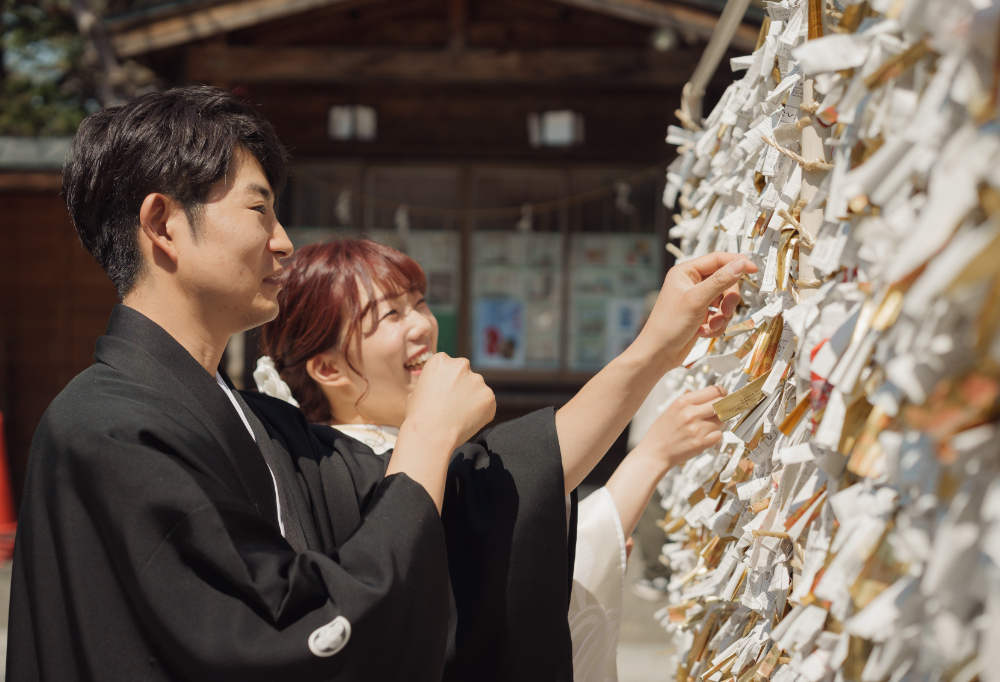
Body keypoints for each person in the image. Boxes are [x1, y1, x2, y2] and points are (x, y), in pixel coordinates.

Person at [8, 84, 753, 681]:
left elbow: (479, 497)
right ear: (163, 224)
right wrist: (426, 438)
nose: (282, 242)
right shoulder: (106, 428)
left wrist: (656, 346)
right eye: (259, 209)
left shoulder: (247, 419)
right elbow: (281, 643)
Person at [252, 240, 730, 681]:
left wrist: (654, 452)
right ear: (328, 368)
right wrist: (658, 356)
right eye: (390, 316)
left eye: (417, 302)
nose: (422, 324)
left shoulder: (390, 455)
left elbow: (523, 519)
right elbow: (526, 480)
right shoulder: (348, 474)